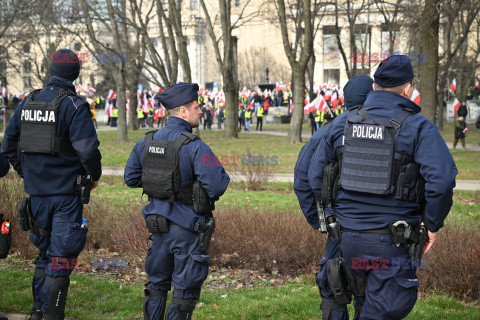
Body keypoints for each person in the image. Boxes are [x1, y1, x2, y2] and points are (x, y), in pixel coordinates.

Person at [308, 55, 457, 319]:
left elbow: (315, 177)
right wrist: (432, 225)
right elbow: (441, 181)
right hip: (392, 244)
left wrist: (342, 216)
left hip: (348, 240)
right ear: (408, 88)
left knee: (366, 306)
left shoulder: (344, 123)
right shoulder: (417, 127)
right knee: (381, 311)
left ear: (374, 86)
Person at [0, 49, 102, 320]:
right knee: (61, 260)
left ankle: (38, 313)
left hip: (36, 196)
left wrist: (25, 173)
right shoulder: (73, 105)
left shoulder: (27, 102)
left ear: (50, 71)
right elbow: (88, 151)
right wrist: (93, 177)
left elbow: (8, 146)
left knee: (44, 257)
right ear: (76, 74)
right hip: (65, 197)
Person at [124, 83, 230, 320]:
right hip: (187, 231)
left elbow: (130, 178)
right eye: (196, 107)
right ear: (183, 111)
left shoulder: (146, 142)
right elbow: (218, 185)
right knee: (184, 292)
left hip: (157, 229)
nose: (201, 111)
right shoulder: (195, 146)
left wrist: (159, 184)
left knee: (156, 286)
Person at [294, 74, 374, 320]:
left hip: (341, 226)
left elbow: (303, 179)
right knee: (365, 286)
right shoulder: (393, 127)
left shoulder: (329, 131)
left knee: (334, 282)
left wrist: (323, 222)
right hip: (377, 228)